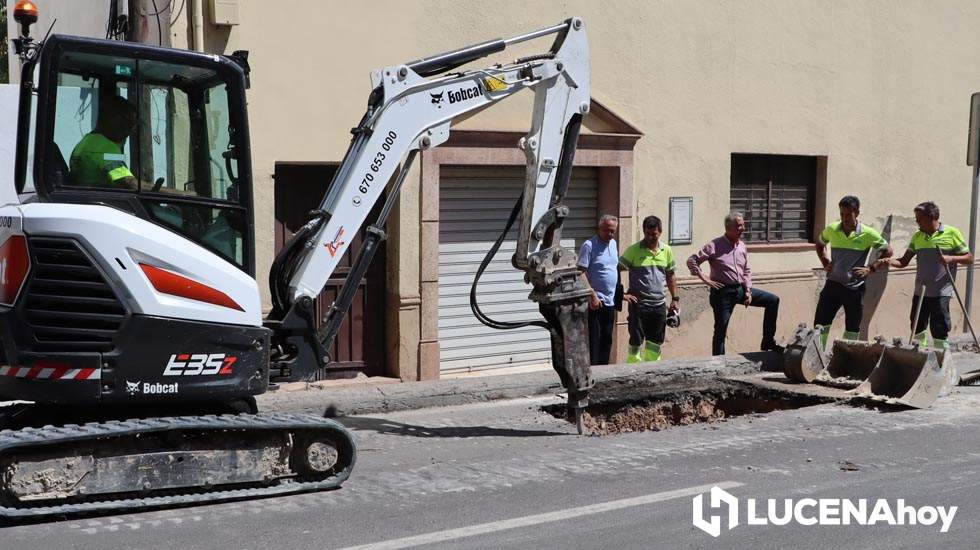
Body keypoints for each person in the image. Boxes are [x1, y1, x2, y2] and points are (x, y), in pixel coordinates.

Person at [874, 202, 972, 350]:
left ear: (932, 217)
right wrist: (888, 261)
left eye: (920, 218)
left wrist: (951, 258)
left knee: (939, 327)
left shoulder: (952, 233)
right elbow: (903, 262)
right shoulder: (917, 237)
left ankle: (942, 359)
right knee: (917, 326)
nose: (917, 222)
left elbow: (969, 258)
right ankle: (920, 355)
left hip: (941, 291)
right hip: (920, 290)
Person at [687, 212, 783, 355]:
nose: (743, 228)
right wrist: (704, 278)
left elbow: (746, 270)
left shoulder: (742, 246)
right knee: (721, 329)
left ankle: (768, 342)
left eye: (743, 225)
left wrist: (748, 290)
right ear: (728, 228)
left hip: (740, 289)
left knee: (773, 301)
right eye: (739, 226)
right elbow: (692, 260)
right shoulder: (714, 245)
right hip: (722, 292)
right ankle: (718, 364)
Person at [813, 196, 892, 348]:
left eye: (848, 214)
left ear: (857, 213)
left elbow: (888, 251)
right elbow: (820, 243)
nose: (844, 218)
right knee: (820, 324)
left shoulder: (868, 233)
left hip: (854, 288)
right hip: (833, 284)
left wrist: (871, 268)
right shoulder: (832, 229)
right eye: (842, 214)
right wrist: (825, 262)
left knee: (852, 328)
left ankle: (845, 357)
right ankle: (818, 355)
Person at [618, 215, 678, 362]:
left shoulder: (667, 250)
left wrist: (675, 299)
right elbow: (615, 270)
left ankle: (652, 373)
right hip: (639, 306)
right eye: (648, 234)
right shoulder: (634, 250)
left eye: (654, 234)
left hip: (658, 306)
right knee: (636, 343)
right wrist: (621, 294)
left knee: (655, 344)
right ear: (644, 231)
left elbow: (670, 275)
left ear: (661, 231)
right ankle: (632, 375)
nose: (651, 237)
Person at [69, 95, 140, 189]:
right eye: (129, 122)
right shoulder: (105, 149)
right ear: (113, 118)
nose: (130, 130)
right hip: (102, 201)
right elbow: (129, 182)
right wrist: (165, 192)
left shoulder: (87, 141)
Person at [577, 215, 620, 365]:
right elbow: (581, 272)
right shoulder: (589, 245)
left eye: (613, 231)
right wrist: (592, 295)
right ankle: (593, 371)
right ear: (599, 229)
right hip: (596, 301)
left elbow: (613, 269)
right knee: (594, 341)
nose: (610, 234)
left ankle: (604, 372)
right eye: (607, 231)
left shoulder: (613, 244)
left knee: (607, 339)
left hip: (610, 301)